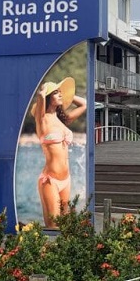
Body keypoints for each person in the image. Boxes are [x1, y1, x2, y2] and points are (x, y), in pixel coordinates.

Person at [32, 77, 87, 228]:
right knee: (54, 227)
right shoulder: (42, 120)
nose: (60, 95)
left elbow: (84, 104)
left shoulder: (63, 121)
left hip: (66, 180)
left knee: (65, 226)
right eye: (56, 93)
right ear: (49, 97)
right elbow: (41, 97)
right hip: (50, 180)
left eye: (60, 93)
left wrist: (67, 94)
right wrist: (44, 91)